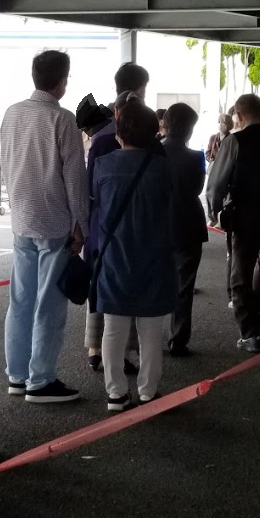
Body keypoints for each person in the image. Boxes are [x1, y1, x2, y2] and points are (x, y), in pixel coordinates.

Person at [0, 50, 87, 403]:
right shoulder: (62, 119)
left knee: (20, 299)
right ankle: (42, 380)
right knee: (49, 303)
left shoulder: (11, 113)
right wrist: (81, 224)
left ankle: (17, 375)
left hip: (22, 217)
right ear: (62, 81)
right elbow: (75, 179)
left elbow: (6, 163)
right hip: (54, 220)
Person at [90, 102, 175, 410]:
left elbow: (98, 205)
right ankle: (148, 392)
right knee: (151, 329)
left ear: (120, 131)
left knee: (113, 328)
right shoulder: (161, 167)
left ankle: (115, 393)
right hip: (154, 256)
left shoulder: (103, 165)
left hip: (114, 256)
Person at [206, 94, 260, 354]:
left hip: (246, 214)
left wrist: (215, 212)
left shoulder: (235, 140)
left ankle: (250, 333)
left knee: (241, 273)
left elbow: (216, 185)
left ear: (238, 115)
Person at [82, 64, 149, 372]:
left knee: (99, 284)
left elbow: (89, 186)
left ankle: (95, 348)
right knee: (124, 289)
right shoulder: (138, 129)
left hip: (100, 222)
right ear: (141, 89)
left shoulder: (100, 130)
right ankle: (119, 355)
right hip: (129, 224)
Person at [162, 104, 206, 357]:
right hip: (189, 223)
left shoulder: (152, 153)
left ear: (165, 124)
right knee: (184, 285)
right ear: (190, 128)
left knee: (153, 282)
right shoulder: (195, 157)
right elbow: (197, 189)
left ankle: (148, 339)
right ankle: (178, 339)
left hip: (158, 224)